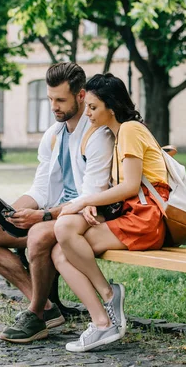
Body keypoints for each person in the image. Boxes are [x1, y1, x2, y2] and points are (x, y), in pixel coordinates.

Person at [0, 62, 114, 344]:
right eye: (50, 99)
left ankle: (35, 314)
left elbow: (90, 197)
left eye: (61, 100)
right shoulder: (53, 135)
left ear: (81, 95)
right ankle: (47, 308)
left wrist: (41, 217)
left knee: (37, 235)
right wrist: (7, 212)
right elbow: (40, 188)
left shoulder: (98, 134)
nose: (54, 107)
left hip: (88, 218)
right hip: (54, 215)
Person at [51, 73, 170, 352]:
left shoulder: (129, 131)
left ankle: (108, 302)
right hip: (131, 214)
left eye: (93, 107)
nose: (87, 113)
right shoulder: (117, 135)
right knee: (60, 249)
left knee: (64, 232)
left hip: (145, 220)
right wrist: (94, 203)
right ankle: (103, 319)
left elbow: (130, 186)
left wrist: (84, 201)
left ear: (111, 107)